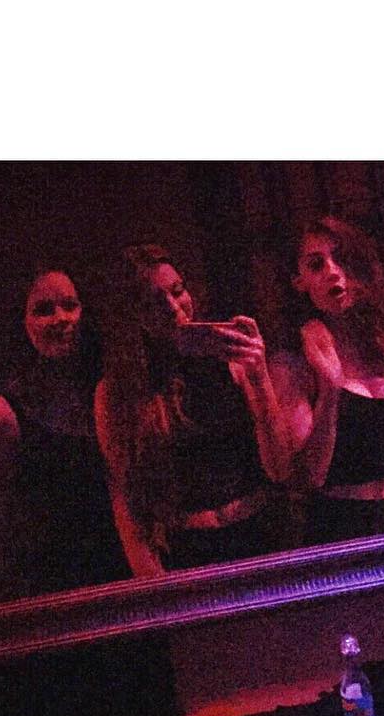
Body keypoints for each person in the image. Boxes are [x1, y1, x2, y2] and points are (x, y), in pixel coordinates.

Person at [94, 244, 291, 575]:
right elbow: (127, 500)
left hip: (257, 532)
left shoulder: (229, 359)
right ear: (133, 315)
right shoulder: (119, 390)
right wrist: (152, 580)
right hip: (188, 549)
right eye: (154, 301)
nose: (173, 308)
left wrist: (259, 377)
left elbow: (280, 468)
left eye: (178, 291)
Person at [270, 216, 384, 546]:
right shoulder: (293, 362)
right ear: (298, 281)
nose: (333, 271)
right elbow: (310, 476)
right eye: (316, 265)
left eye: (342, 258)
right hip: (341, 528)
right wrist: (329, 387)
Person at [0, 270, 126, 594]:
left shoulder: (111, 391)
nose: (60, 319)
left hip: (124, 571)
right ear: (21, 322)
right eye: (43, 310)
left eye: (70, 305)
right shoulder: (3, 412)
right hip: (55, 587)